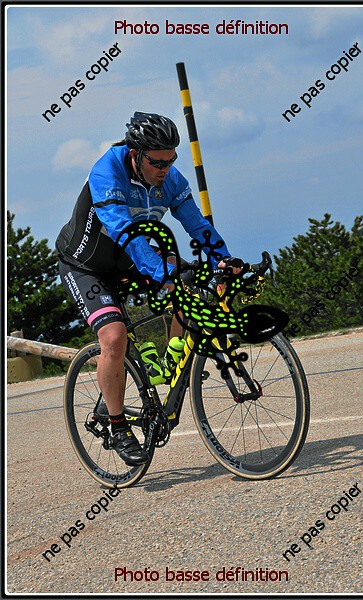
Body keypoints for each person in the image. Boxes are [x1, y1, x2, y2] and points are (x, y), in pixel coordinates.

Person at [56, 111, 243, 466]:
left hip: (128, 261)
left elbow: (196, 224)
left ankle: (173, 359)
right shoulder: (106, 173)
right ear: (135, 154)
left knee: (189, 281)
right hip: (86, 267)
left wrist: (223, 259)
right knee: (114, 338)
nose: (165, 170)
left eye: (171, 161)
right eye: (157, 162)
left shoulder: (169, 178)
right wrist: (161, 272)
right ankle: (118, 427)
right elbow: (124, 233)